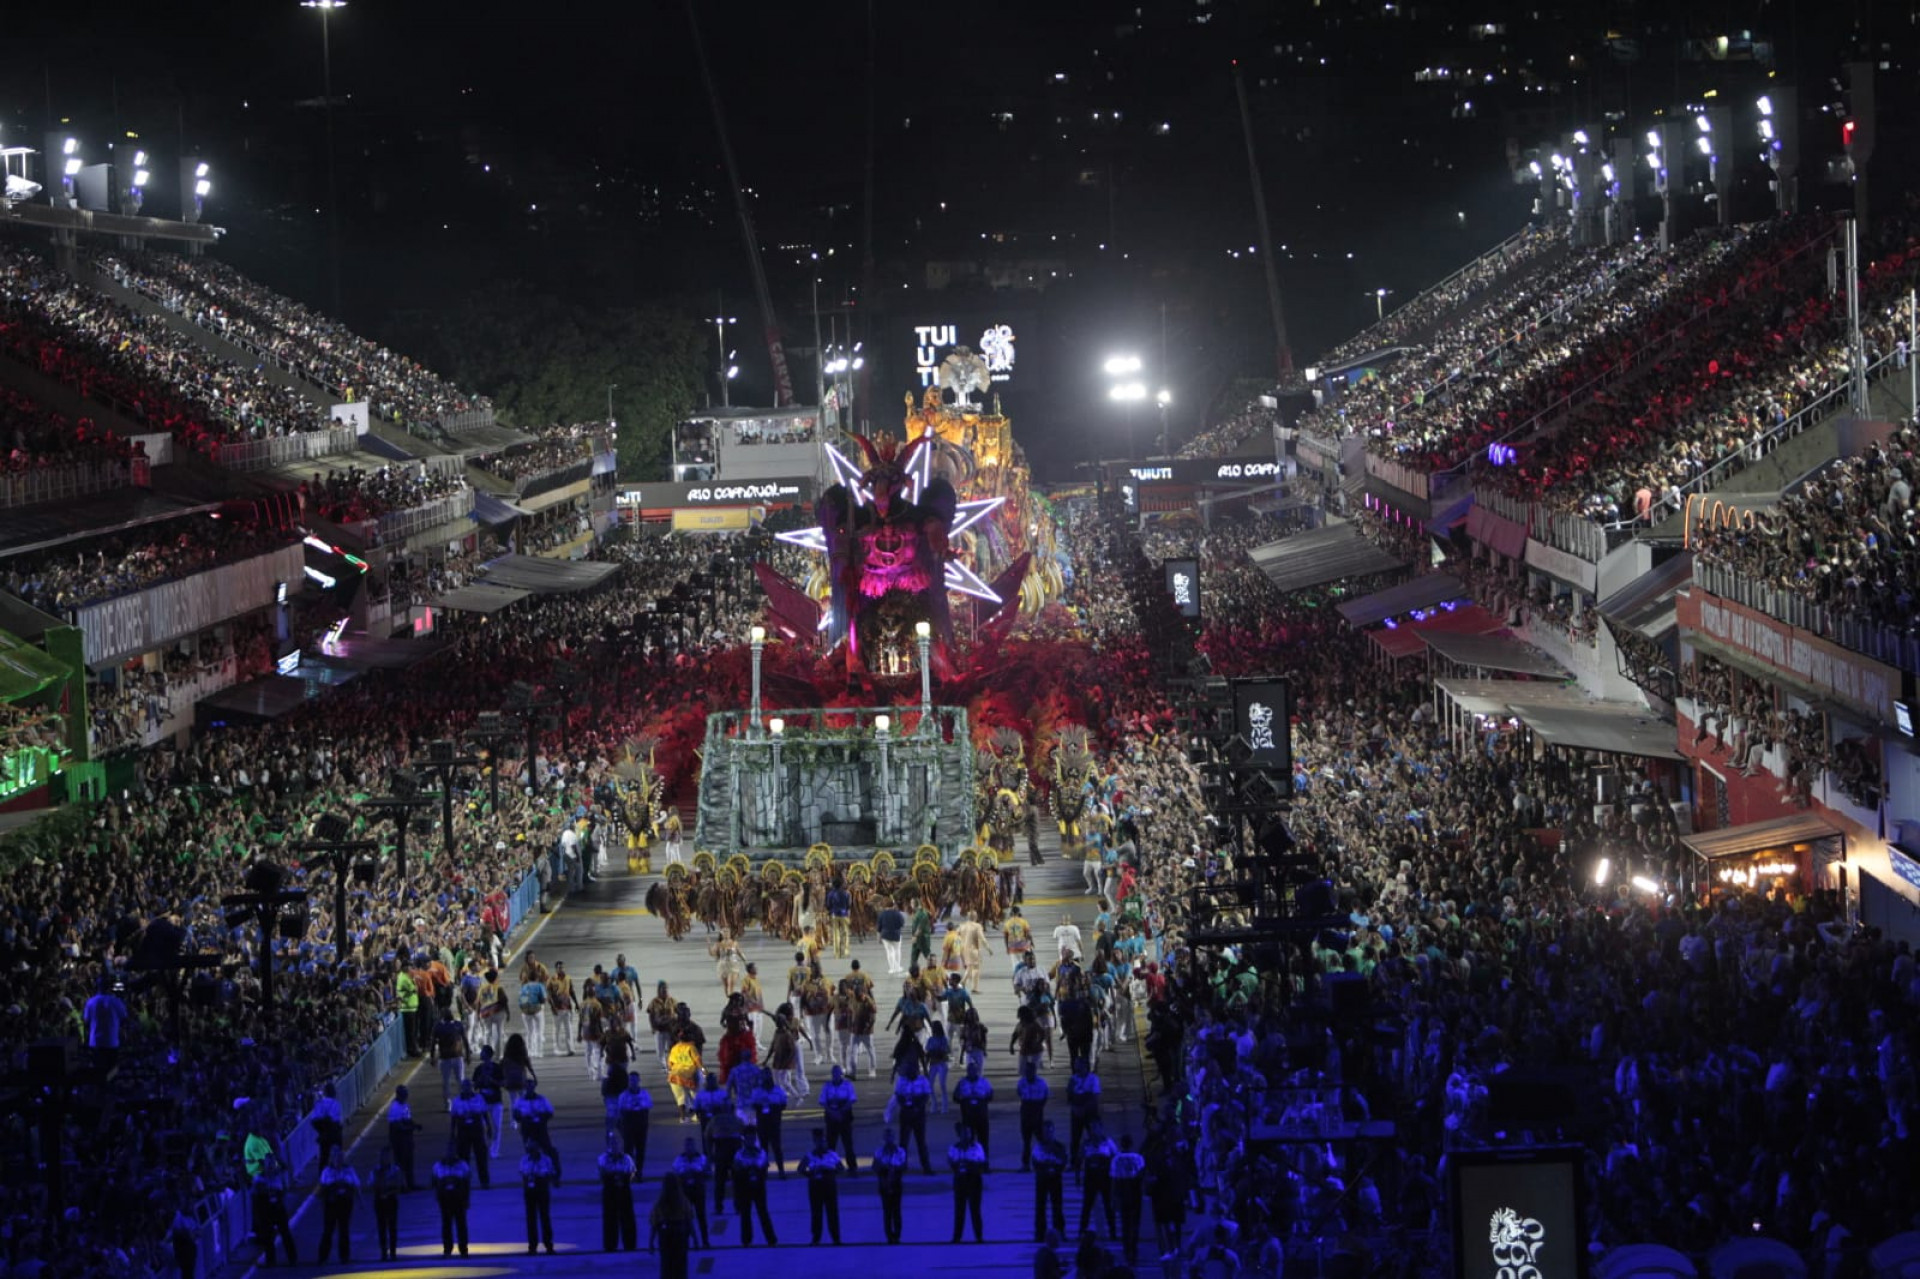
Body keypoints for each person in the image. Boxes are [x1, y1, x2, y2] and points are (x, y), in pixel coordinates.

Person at [732, 1128, 778, 1246]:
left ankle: (771, 1239)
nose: (750, 1141)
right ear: (744, 1139)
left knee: (763, 1213)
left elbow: (765, 1168)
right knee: (745, 1214)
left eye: (753, 1138)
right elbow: (736, 1172)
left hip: (759, 1187)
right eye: (748, 1138)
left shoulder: (761, 1152)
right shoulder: (739, 1154)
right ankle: (746, 1240)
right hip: (744, 1187)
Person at [797, 1128, 844, 1244]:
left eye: (823, 1141)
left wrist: (829, 1170)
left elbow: (841, 1168)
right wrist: (811, 1174)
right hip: (815, 1185)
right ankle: (816, 1237)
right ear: (815, 1142)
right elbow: (800, 1168)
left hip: (829, 1185)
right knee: (816, 1212)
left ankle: (836, 1237)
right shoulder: (810, 1155)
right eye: (819, 1141)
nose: (821, 1144)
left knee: (832, 1212)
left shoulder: (832, 1155)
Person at [250, 1154, 296, 1267]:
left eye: (272, 1163)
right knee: (267, 1236)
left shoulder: (278, 1176)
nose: (270, 1165)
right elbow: (255, 1196)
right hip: (266, 1210)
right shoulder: (258, 1178)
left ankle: (293, 1258)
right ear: (264, 1164)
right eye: (268, 1163)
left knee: (285, 1233)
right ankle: (271, 1260)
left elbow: (284, 1188)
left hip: (278, 1209)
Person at [892, 1054, 934, 1174]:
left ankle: (926, 1167)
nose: (911, 1072)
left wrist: (917, 1106)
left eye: (913, 1070)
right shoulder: (901, 1080)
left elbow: (926, 1096)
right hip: (906, 1113)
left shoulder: (923, 1080)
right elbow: (898, 1095)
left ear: (917, 1070)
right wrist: (905, 1105)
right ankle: (901, 1166)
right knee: (903, 1142)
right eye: (909, 1070)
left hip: (919, 1114)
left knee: (921, 1142)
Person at [649, 1175, 697, 1279]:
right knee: (680, 1263)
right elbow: (689, 1219)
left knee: (666, 1263)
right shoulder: (683, 1200)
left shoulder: (660, 1202)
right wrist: (695, 1238)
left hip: (665, 1232)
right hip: (680, 1232)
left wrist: (651, 1242)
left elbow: (654, 1223)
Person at [948, 1119, 988, 1242]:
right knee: (959, 1210)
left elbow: (981, 1162)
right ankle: (957, 1237)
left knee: (975, 1210)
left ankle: (979, 1236)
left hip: (974, 1181)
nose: (966, 1135)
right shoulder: (953, 1148)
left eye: (968, 1132)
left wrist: (965, 1164)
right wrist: (967, 1164)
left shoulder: (977, 1147)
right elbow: (952, 1163)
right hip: (960, 1181)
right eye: (964, 1133)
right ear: (959, 1134)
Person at [317, 1148, 359, 1264]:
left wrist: (360, 1202)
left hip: (345, 1203)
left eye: (340, 1157)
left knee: (344, 1230)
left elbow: (356, 1184)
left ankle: (344, 1256)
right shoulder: (326, 1171)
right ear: (332, 1159)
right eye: (336, 1157)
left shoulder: (349, 1170)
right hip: (331, 1204)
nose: (338, 1160)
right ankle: (323, 1256)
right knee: (328, 1230)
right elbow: (322, 1187)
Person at [433, 1138, 473, 1258]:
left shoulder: (463, 1165)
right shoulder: (438, 1166)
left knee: (461, 1224)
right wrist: (438, 1197)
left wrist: (467, 1199)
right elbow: (434, 1182)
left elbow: (467, 1184)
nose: (450, 1152)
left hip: (459, 1199)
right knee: (446, 1225)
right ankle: (447, 1249)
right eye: (449, 1149)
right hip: (445, 1200)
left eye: (452, 1149)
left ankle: (463, 1249)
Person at [669, 1135, 711, 1248]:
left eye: (691, 1145)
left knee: (701, 1216)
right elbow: (674, 1173)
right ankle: (685, 1241)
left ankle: (705, 1240)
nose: (689, 1148)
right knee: (685, 1217)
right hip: (685, 1192)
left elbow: (708, 1173)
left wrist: (697, 1174)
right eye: (687, 1145)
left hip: (698, 1191)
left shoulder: (702, 1158)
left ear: (695, 1146)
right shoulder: (679, 1159)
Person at [599, 1131, 638, 1252]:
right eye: (612, 1142)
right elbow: (602, 1172)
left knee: (628, 1218)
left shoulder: (627, 1158)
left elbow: (632, 1173)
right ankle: (610, 1245)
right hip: (610, 1191)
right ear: (608, 1144)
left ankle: (630, 1244)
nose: (615, 1144)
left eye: (617, 1142)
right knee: (610, 1219)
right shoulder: (603, 1158)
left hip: (624, 1190)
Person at [1111, 1132, 1148, 1262]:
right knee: (1135, 1222)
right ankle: (1133, 1248)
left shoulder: (1116, 1159)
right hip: (1135, 1190)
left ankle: (1127, 1249)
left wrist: (1114, 1197)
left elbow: (1114, 1179)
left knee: (1125, 1222)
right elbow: (1142, 1175)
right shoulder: (1138, 1158)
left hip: (1123, 1189)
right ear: (1131, 1144)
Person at [513, 1082, 561, 1180]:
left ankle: (554, 1173)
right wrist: (524, 1118)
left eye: (531, 1087)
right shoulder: (520, 1101)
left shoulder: (542, 1099)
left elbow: (550, 1112)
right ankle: (530, 1174)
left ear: (534, 1088)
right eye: (527, 1087)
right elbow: (516, 1115)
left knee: (549, 1150)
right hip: (527, 1129)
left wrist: (541, 1117)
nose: (529, 1089)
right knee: (530, 1151)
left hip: (540, 1128)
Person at [1031, 1120, 1068, 1241]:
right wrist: (1048, 1168)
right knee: (1040, 1207)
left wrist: (1054, 1169)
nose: (1048, 1134)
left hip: (1055, 1179)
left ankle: (1060, 1231)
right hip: (1042, 1180)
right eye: (1046, 1131)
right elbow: (1035, 1163)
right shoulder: (1038, 1147)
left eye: (1050, 1131)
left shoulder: (1060, 1147)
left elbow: (1063, 1162)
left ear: (1053, 1132)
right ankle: (1040, 1233)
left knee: (1057, 1207)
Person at [519, 1137, 558, 1255]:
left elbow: (551, 1172)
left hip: (542, 1189)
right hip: (530, 1190)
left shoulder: (546, 1159)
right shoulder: (524, 1160)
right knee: (531, 1219)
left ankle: (548, 1245)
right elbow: (522, 1172)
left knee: (545, 1217)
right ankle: (532, 1246)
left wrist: (540, 1174)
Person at [1080, 1120, 1118, 1239]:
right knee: (1087, 1205)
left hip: (1105, 1178)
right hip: (1090, 1178)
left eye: (1096, 1128)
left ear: (1101, 1128)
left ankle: (1113, 1232)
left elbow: (1116, 1157)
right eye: (1092, 1128)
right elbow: (1079, 1159)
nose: (1094, 1131)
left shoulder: (1108, 1142)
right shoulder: (1086, 1144)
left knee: (1108, 1205)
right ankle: (1082, 1231)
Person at [953, 1058, 994, 1166]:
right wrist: (966, 1100)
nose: (972, 1072)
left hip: (981, 1116)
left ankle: (984, 1163)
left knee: (983, 1141)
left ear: (977, 1071)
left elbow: (990, 1096)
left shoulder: (984, 1082)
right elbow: (955, 1097)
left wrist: (979, 1099)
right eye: (970, 1070)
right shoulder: (962, 1083)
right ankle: (969, 1162)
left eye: (974, 1070)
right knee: (968, 1141)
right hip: (968, 1116)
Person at [749, 1068, 790, 1176]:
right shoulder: (757, 1091)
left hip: (774, 1123)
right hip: (762, 1123)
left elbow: (784, 1104)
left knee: (777, 1147)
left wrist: (773, 1107)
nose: (766, 1078)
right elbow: (753, 1104)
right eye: (764, 1075)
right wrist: (761, 1106)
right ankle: (763, 1171)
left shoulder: (778, 1090)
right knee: (763, 1148)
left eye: (768, 1075)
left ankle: (781, 1170)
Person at [818, 1064, 858, 1173]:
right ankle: (830, 1165)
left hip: (845, 1117)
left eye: (838, 1073)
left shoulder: (848, 1085)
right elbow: (823, 1102)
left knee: (848, 1144)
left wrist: (840, 1112)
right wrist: (833, 1113)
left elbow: (852, 1100)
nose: (836, 1075)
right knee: (831, 1144)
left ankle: (852, 1167)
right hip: (831, 1118)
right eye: (834, 1073)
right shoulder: (827, 1086)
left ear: (841, 1074)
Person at [872, 1125, 908, 1243]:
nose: (889, 1139)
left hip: (896, 1181)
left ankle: (897, 1235)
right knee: (887, 1211)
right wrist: (886, 1167)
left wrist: (894, 1168)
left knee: (896, 1211)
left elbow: (904, 1166)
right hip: (883, 1181)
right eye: (887, 1137)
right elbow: (875, 1166)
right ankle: (889, 1236)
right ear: (884, 1138)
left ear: (894, 1138)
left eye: (891, 1136)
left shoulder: (900, 1151)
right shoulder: (879, 1152)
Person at [1066, 1058, 1103, 1169]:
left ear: (1085, 1067)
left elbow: (1095, 1097)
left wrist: (1084, 1109)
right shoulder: (1073, 1079)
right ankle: (1074, 1162)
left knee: (1095, 1136)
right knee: (1075, 1138)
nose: (1077, 1068)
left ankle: (1098, 1159)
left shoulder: (1093, 1079)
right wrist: (1075, 1108)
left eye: (1079, 1065)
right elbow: (1069, 1096)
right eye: (1076, 1065)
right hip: (1076, 1112)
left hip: (1090, 1112)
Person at [708, 1101, 745, 1211]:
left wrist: (710, 1153)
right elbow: (744, 1134)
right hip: (726, 1151)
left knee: (723, 1181)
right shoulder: (734, 1120)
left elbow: (707, 1137)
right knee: (731, 1181)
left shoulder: (716, 1120)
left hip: (726, 1151)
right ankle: (733, 1205)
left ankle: (720, 1206)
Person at [371, 1146, 406, 1262]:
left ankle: (393, 1252)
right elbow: (371, 1184)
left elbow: (400, 1185)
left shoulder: (395, 1170)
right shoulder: (375, 1170)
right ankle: (383, 1252)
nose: (385, 1158)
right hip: (379, 1200)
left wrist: (389, 1191)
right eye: (383, 1156)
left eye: (387, 1156)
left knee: (392, 1227)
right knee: (381, 1228)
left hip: (391, 1200)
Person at [472, 1045, 506, 1159]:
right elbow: (474, 1087)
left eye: (483, 1052)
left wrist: (493, 1081)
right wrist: (480, 1079)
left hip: (496, 1101)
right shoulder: (478, 1069)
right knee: (482, 1127)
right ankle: (483, 1148)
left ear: (488, 1055)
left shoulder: (497, 1068)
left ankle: (494, 1150)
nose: (481, 1054)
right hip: (482, 1101)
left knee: (497, 1126)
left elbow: (503, 1084)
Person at [616, 1071, 653, 1174]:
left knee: (641, 1149)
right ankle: (629, 1171)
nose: (633, 1082)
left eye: (635, 1080)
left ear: (639, 1081)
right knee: (628, 1150)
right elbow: (620, 1110)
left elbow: (648, 1106)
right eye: (631, 1080)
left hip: (641, 1123)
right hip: (629, 1123)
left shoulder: (644, 1094)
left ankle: (639, 1171)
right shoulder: (623, 1096)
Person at [1016, 1057, 1050, 1168]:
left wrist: (1039, 1107)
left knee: (1041, 1140)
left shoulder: (1042, 1083)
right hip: (1025, 1112)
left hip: (1037, 1111)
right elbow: (1019, 1094)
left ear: (1035, 1071)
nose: (1029, 1073)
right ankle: (1025, 1164)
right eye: (1027, 1071)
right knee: (1026, 1142)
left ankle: (1044, 1160)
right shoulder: (1021, 1082)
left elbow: (1046, 1096)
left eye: (1031, 1070)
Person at [387, 1084, 421, 1190]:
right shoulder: (394, 1107)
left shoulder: (405, 1105)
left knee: (409, 1161)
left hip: (407, 1138)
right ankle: (401, 1185)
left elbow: (407, 1119)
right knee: (400, 1162)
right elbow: (396, 1124)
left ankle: (410, 1183)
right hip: (398, 1138)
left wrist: (415, 1125)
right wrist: (408, 1129)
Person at [433, 1006, 470, 1104]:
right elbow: (465, 1040)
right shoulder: (458, 1025)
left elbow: (433, 1043)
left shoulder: (438, 1027)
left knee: (446, 1082)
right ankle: (463, 1100)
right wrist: (468, 1054)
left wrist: (433, 1057)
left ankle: (448, 1103)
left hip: (445, 1058)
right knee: (460, 1080)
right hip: (458, 1056)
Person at [307, 1083, 345, 1173]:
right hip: (334, 1132)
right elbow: (335, 1119)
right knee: (337, 1154)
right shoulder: (335, 1104)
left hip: (324, 1133)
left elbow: (313, 1119)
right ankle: (338, 1173)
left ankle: (323, 1176)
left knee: (324, 1156)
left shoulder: (320, 1103)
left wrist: (321, 1130)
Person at [518, 964, 549, 1058]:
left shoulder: (524, 987)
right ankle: (539, 1052)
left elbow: (521, 1000)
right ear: (537, 977)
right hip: (536, 1010)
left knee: (529, 1032)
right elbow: (543, 999)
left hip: (526, 1012)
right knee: (539, 1031)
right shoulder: (539, 986)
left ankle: (530, 1051)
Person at [549, 961, 578, 1056]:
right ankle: (556, 1048)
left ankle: (570, 1048)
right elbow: (549, 995)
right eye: (558, 968)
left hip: (567, 1007)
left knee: (568, 1029)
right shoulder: (552, 979)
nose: (560, 969)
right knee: (557, 1029)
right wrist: (552, 1007)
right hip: (557, 1008)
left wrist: (576, 1003)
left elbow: (572, 991)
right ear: (556, 969)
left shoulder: (568, 978)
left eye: (562, 967)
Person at [925, 1017, 953, 1113]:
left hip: (941, 1063)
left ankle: (945, 1106)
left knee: (942, 1084)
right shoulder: (930, 1040)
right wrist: (926, 1066)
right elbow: (928, 1053)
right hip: (933, 1064)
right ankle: (934, 1103)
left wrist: (935, 1053)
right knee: (929, 1085)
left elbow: (945, 1051)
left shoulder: (943, 1039)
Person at [648, 981, 678, 1066]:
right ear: (659, 990)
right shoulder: (654, 1002)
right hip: (659, 1030)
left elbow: (678, 1012)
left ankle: (671, 1066)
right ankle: (663, 1066)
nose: (665, 990)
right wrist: (652, 1027)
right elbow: (651, 1015)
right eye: (663, 989)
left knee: (671, 1049)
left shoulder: (672, 1000)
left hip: (670, 1030)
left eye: (666, 988)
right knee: (660, 1052)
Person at [876, 898, 906, 975]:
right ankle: (898, 967)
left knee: (889, 952)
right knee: (897, 950)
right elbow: (902, 923)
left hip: (885, 934)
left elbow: (879, 927)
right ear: (893, 905)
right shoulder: (897, 913)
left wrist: (878, 937)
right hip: (896, 934)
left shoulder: (882, 914)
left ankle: (892, 968)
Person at [825, 876, 852, 958]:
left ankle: (837, 953)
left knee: (836, 933)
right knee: (845, 933)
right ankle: (846, 951)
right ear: (841, 885)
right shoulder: (846, 893)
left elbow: (828, 905)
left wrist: (830, 911)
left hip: (834, 914)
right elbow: (848, 905)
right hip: (844, 914)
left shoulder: (830, 894)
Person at [1003, 906, 1034, 973]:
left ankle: (1017, 977)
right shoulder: (1024, 921)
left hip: (1012, 947)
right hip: (1023, 946)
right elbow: (1028, 934)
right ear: (1019, 913)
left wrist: (1007, 947)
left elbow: (1005, 937)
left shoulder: (1007, 923)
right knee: (1025, 962)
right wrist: (1031, 943)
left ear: (1011, 913)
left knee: (1015, 964)